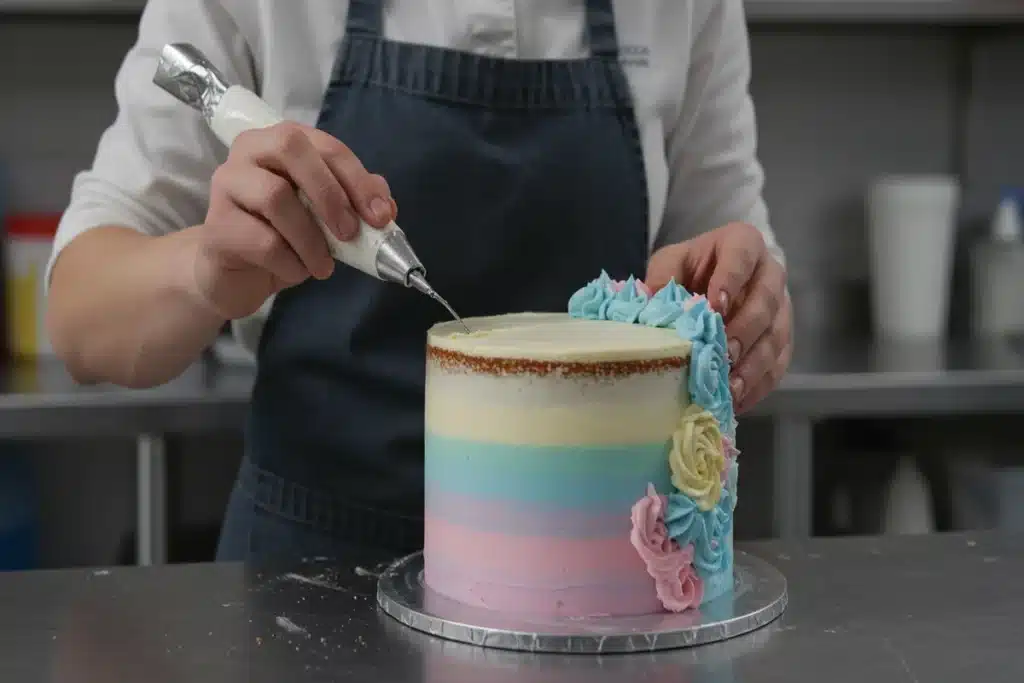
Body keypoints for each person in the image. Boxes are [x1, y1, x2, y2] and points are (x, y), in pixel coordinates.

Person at [46, 0, 792, 564]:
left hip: (589, 593)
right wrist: (204, 269)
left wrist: (732, 308)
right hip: (308, 580)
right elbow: (79, 315)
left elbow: (727, 252)